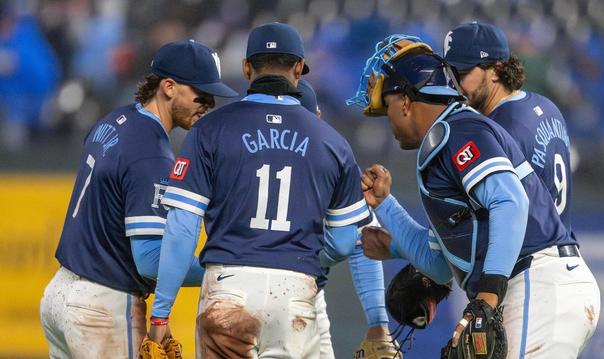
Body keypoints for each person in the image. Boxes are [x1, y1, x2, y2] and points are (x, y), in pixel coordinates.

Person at [348, 35, 600, 358]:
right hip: (537, 285)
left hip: (536, 283)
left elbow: (510, 201)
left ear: (406, 102)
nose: (390, 121)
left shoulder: (457, 130)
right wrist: (385, 205)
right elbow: (438, 264)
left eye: (389, 107)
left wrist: (486, 299)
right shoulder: (447, 139)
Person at [147, 22, 369, 358]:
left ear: (247, 68)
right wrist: (298, 254)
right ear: (298, 69)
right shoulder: (333, 142)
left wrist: (161, 311)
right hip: (296, 288)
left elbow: (182, 229)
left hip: (229, 287)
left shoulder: (210, 130)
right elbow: (341, 243)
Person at [39, 39, 237, 358]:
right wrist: (222, 271)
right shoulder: (152, 153)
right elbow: (150, 262)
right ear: (169, 87)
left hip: (60, 294)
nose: (209, 103)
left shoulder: (113, 121)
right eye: (201, 93)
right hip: (103, 305)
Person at [298, 78, 401, 359]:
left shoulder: (235, 144)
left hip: (238, 289)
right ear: (318, 117)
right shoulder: (330, 156)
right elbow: (358, 238)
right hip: (297, 295)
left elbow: (361, 237)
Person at [444, 21, 574, 234]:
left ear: (496, 70)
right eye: (449, 75)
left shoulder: (496, 130)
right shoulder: (547, 107)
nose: (453, 84)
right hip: (565, 252)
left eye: (461, 73)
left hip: (530, 257)